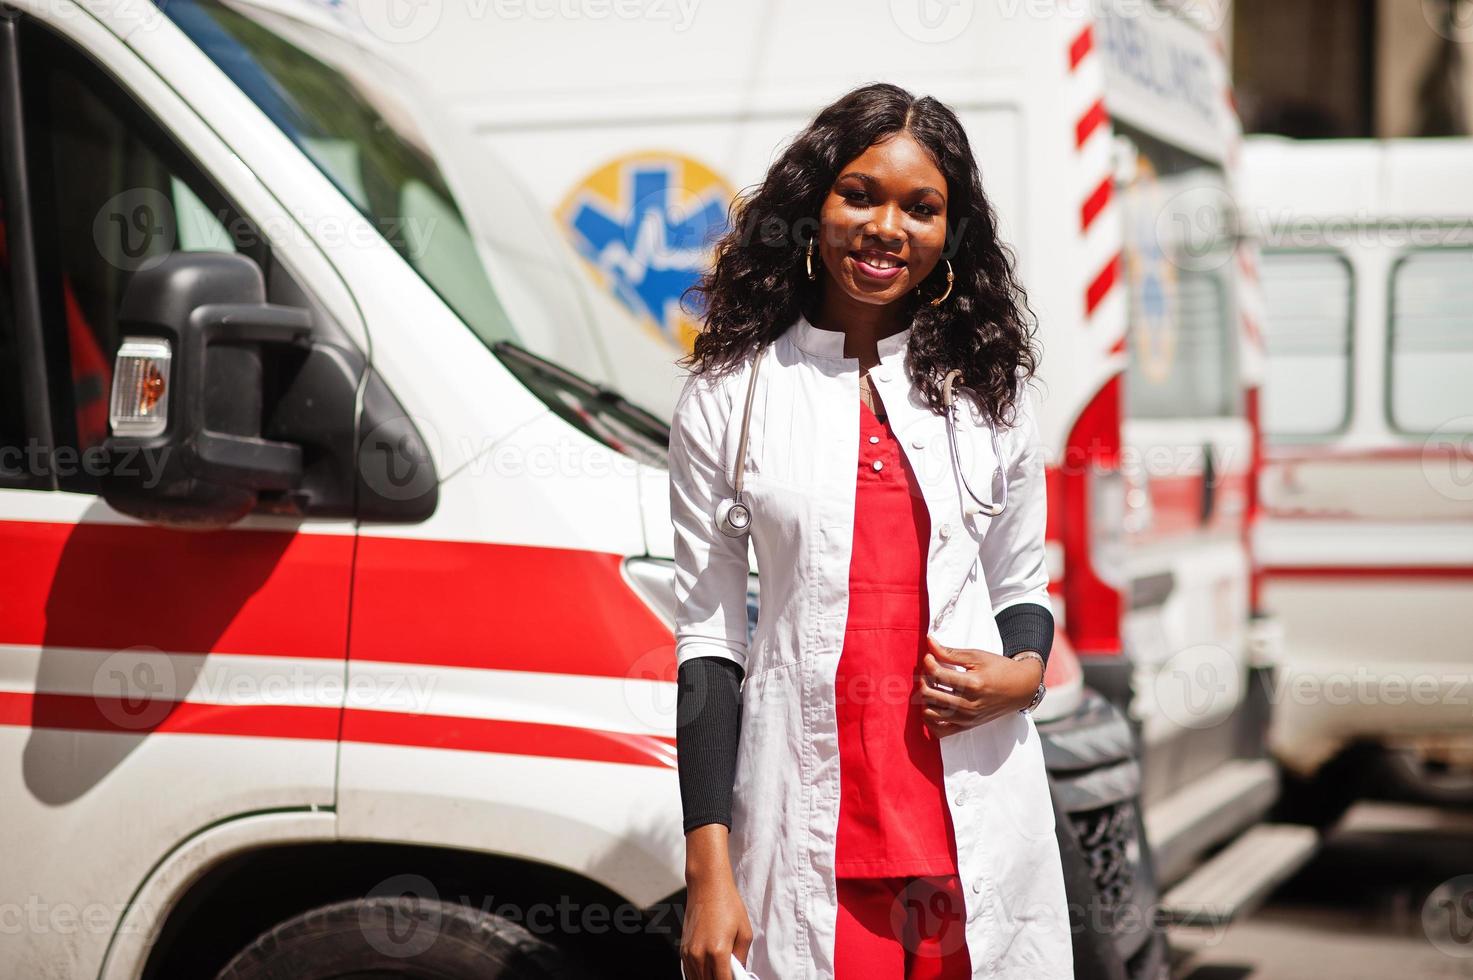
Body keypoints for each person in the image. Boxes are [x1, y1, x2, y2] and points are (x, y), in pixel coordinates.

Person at [670, 82, 1071, 980]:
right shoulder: (732, 394)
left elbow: (1020, 584)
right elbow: (707, 639)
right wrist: (708, 869)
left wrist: (1022, 677)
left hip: (970, 825)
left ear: (949, 233)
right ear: (812, 207)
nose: (886, 227)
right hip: (807, 824)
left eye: (920, 208)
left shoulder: (987, 395)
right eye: (859, 194)